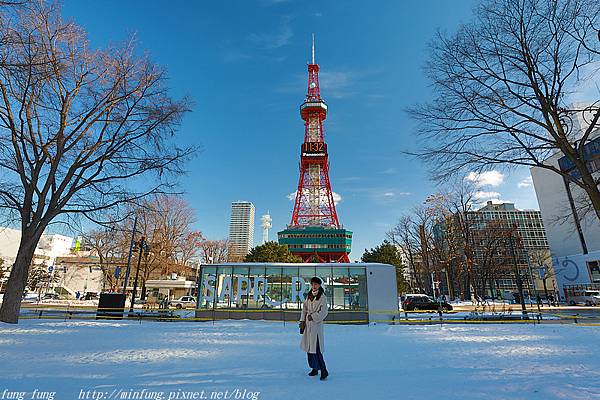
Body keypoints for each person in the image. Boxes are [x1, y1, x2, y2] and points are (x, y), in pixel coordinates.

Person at [299, 276, 329, 380]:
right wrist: (302, 321)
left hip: (316, 326)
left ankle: (323, 370)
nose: (314, 286)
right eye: (312, 284)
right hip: (308, 326)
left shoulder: (322, 297)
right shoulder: (309, 296)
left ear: (320, 285)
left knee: (316, 349)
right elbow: (304, 309)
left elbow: (324, 312)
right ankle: (314, 368)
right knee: (309, 348)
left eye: (316, 284)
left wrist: (314, 317)